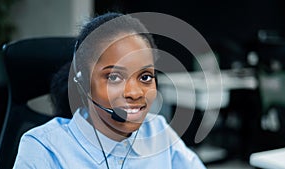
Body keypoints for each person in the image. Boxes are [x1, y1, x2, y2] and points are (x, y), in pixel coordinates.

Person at [13, 12, 206, 169]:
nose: (135, 92)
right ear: (83, 83)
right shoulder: (44, 148)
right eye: (114, 77)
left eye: (145, 77)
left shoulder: (158, 131)